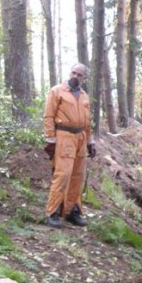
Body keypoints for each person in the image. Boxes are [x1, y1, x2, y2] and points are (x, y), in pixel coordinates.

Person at [43, 63, 96, 229]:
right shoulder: (57, 91)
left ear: (84, 78)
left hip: (80, 137)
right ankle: (53, 212)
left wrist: (90, 141)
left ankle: (72, 210)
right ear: (69, 72)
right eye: (73, 72)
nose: (75, 76)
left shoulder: (84, 96)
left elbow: (87, 123)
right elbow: (48, 116)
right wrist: (50, 140)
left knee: (77, 176)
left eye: (79, 75)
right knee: (63, 174)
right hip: (64, 136)